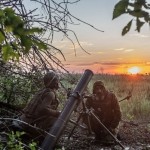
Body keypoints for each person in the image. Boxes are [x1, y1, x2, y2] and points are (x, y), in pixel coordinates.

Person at [15, 70, 61, 139]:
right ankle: (44, 141)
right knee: (58, 120)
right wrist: (57, 113)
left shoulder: (42, 91)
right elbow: (43, 109)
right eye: (57, 81)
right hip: (30, 124)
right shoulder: (50, 94)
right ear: (55, 83)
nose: (58, 83)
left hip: (22, 120)